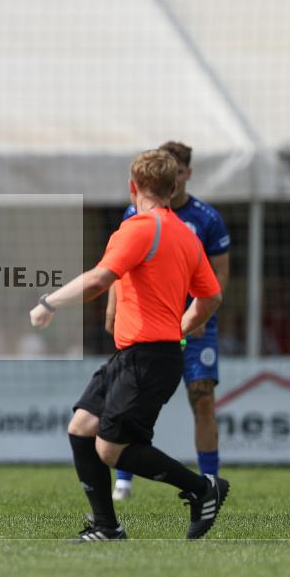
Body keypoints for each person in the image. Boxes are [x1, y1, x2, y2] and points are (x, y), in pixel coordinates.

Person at [30, 149, 227, 541]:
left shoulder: (139, 228)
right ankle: (107, 527)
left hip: (148, 357)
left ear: (132, 187)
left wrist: (49, 302)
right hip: (141, 354)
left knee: (110, 449)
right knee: (81, 428)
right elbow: (212, 296)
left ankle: (203, 488)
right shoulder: (186, 236)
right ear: (174, 188)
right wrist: (184, 326)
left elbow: (100, 279)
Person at [108, 141, 230, 501]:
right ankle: (123, 480)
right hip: (147, 324)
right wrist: (112, 308)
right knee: (131, 401)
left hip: (195, 325)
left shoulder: (206, 219)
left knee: (202, 397)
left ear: (186, 175)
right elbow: (119, 266)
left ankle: (209, 481)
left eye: (176, 171)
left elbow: (219, 276)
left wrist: (203, 314)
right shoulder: (135, 215)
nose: (170, 178)